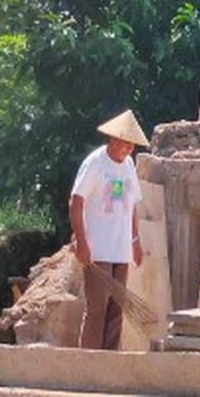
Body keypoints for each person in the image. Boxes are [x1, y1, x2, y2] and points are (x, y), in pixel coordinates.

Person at [69, 109, 148, 350]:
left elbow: (132, 205)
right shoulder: (95, 163)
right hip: (98, 249)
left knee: (116, 309)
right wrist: (82, 243)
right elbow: (76, 201)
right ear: (113, 139)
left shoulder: (128, 167)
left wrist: (135, 241)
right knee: (97, 309)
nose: (129, 149)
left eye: (132, 145)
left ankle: (109, 359)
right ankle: (88, 362)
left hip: (121, 248)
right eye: (126, 143)